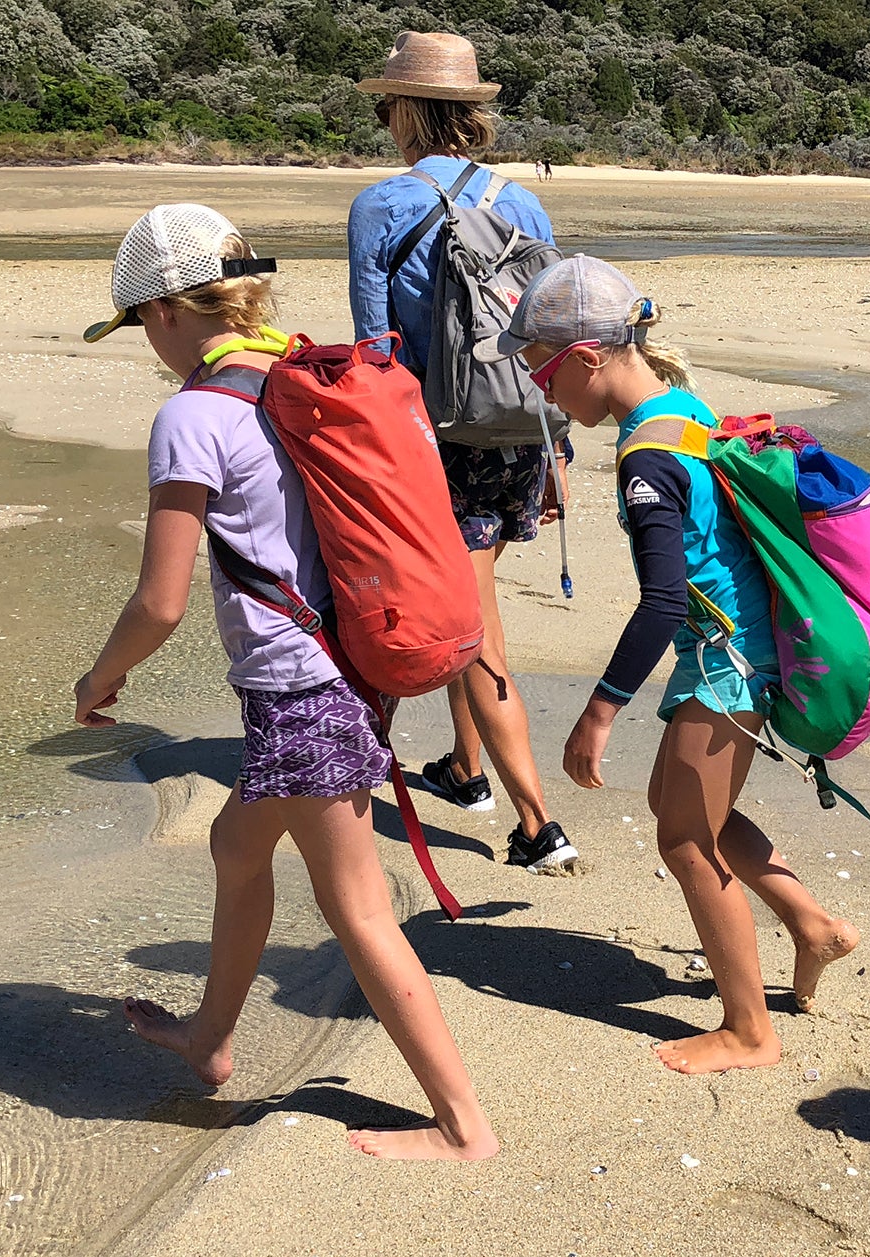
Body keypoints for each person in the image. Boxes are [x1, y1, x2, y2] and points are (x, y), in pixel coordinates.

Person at [76, 203, 498, 1161]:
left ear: (166, 310)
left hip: (300, 687)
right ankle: (210, 1038)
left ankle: (463, 1126)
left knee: (358, 908)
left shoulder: (193, 415)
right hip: (357, 662)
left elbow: (159, 603)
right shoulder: (299, 377)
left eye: (141, 323)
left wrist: (99, 679)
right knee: (235, 844)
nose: (148, 343)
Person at [488, 254, 862, 1074]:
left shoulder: (645, 461)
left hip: (730, 662)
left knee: (687, 841)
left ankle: (750, 1032)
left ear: (585, 359)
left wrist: (599, 712)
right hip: (737, 646)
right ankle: (813, 928)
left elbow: (660, 603)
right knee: (685, 808)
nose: (541, 393)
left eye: (543, 374)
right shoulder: (680, 407)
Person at [347, 30, 576, 875]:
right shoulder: (523, 202)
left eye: (386, 106)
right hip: (519, 432)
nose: (383, 119)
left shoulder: (381, 205)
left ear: (405, 110)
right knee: (469, 598)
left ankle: (538, 826)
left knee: (472, 626)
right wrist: (556, 452)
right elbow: (551, 331)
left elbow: (375, 353)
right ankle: (464, 769)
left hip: (436, 441)